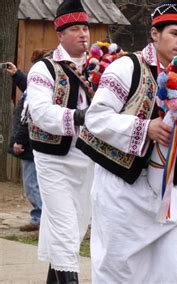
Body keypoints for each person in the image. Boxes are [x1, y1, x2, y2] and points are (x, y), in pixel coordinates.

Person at [80, 0, 177, 282]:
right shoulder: (127, 67)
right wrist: (145, 128)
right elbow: (95, 118)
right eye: (174, 34)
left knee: (172, 272)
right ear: (155, 34)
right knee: (119, 272)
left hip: (168, 196)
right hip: (122, 192)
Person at [26, 0, 94, 282]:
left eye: (86, 28)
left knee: (73, 229)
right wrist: (79, 116)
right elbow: (40, 112)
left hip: (88, 159)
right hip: (53, 159)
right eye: (76, 28)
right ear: (60, 34)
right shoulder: (44, 69)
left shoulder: (100, 67)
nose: (83, 34)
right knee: (65, 228)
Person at [5, 62, 42, 232]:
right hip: (32, 145)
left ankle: (39, 218)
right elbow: (30, 84)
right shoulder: (36, 87)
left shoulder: (36, 93)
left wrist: (19, 142)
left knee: (31, 184)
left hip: (29, 146)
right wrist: (16, 74)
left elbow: (27, 119)